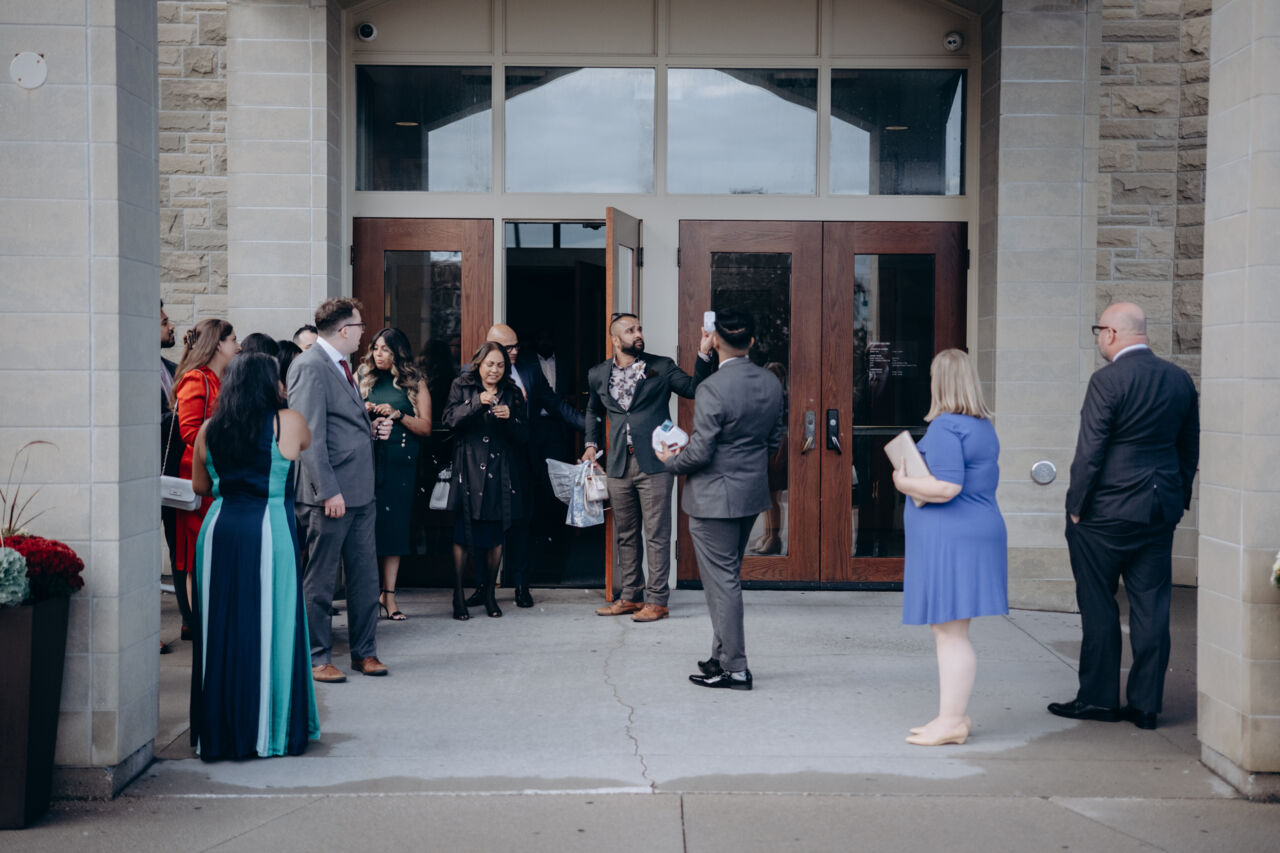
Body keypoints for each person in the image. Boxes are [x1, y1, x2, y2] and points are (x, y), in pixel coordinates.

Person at [1050, 302, 1199, 731]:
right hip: (1158, 510)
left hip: (1105, 512)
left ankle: (1098, 700)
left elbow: (1090, 450)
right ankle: (1146, 706)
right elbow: (1189, 446)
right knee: (1152, 607)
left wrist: (1075, 505)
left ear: (1112, 333)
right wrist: (1178, 498)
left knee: (1098, 603)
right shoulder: (1179, 379)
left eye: (1099, 330)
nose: (1098, 338)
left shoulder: (1107, 380)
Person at [189, 353, 320, 761]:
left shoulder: (209, 429)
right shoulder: (288, 422)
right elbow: (304, 446)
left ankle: (221, 731)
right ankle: (269, 731)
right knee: (273, 625)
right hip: (269, 531)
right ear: (268, 383)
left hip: (219, 532)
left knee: (219, 630)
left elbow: (200, 486)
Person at [656, 309, 783, 691]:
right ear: (752, 342)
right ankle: (721, 655)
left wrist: (669, 462)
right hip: (750, 493)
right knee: (725, 579)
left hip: (714, 498)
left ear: (714, 340)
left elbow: (700, 452)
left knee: (722, 583)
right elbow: (773, 440)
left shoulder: (712, 387)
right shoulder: (770, 382)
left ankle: (736, 668)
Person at [890, 348, 1008, 747]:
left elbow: (946, 488)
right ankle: (953, 715)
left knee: (950, 633)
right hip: (974, 531)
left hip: (955, 537)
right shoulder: (982, 426)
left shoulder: (945, 427)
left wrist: (903, 482)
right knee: (951, 629)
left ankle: (952, 720)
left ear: (938, 383)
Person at [287, 298, 391, 682]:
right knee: (322, 580)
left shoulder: (341, 365)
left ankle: (365, 653)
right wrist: (328, 491)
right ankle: (318, 657)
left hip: (361, 492)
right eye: (360, 326)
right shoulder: (310, 366)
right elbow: (308, 437)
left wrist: (371, 430)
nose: (364, 333)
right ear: (345, 330)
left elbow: (340, 425)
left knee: (365, 578)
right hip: (329, 496)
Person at [584, 313, 714, 622]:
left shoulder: (662, 366)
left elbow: (694, 388)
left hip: (655, 462)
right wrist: (590, 444)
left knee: (656, 533)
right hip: (618, 463)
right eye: (630, 330)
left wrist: (704, 353)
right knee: (626, 534)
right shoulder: (598, 374)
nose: (638, 334)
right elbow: (592, 411)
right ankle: (631, 596)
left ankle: (657, 601)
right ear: (616, 339)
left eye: (639, 328)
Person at [470, 324, 584, 608]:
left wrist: (591, 427)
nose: (514, 352)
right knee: (485, 525)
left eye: (516, 346)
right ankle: (483, 586)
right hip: (485, 461)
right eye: (508, 347)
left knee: (521, 522)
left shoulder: (530, 370)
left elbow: (555, 403)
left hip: (521, 458)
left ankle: (522, 585)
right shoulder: (470, 374)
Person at [442, 341, 528, 620]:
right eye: (490, 364)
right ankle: (458, 596)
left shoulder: (512, 391)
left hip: (499, 470)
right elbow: (449, 420)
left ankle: (490, 594)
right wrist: (477, 402)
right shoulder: (462, 386)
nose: (495, 370)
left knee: (495, 534)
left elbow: (523, 436)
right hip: (468, 469)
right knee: (462, 534)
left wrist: (510, 418)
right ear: (479, 364)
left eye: (501, 365)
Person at [357, 327, 432, 621]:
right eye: (376, 348)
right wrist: (365, 410)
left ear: (398, 352)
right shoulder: (362, 377)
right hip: (368, 461)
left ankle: (389, 595)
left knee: (395, 528)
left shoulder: (415, 382)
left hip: (401, 463)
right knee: (367, 528)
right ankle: (366, 594)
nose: (378, 354)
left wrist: (399, 414)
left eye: (386, 349)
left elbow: (426, 427)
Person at [171, 318, 239, 628]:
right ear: (218, 344)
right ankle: (201, 625)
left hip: (217, 476)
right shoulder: (196, 379)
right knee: (198, 556)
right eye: (232, 339)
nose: (237, 345)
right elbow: (189, 432)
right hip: (199, 478)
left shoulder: (219, 379)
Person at [159, 302, 192, 645]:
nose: (171, 327)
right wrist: (177, 417)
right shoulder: (134, 369)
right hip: (147, 474)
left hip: (173, 476)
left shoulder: (170, 368)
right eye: (165, 322)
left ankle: (188, 617)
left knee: (177, 544)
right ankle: (142, 628)